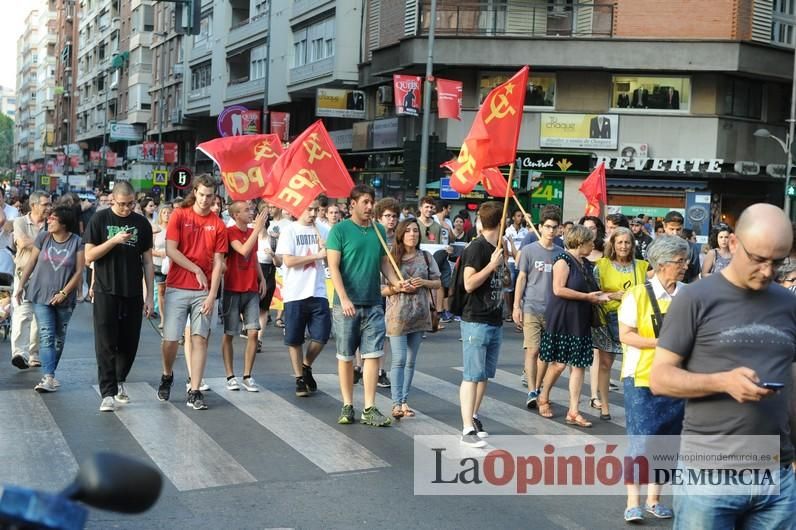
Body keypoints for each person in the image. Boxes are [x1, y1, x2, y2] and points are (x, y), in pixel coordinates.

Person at [650, 203, 796, 529]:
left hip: (777, 475)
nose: (769, 271)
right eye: (758, 259)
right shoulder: (695, 298)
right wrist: (722, 382)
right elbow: (660, 378)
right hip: (708, 474)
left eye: (778, 261)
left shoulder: (789, 304)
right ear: (732, 244)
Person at [618, 235, 688, 523]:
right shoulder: (636, 294)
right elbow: (626, 335)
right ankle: (633, 501)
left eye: (686, 260)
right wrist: (661, 343)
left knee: (667, 440)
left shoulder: (688, 294)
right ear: (661, 265)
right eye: (679, 261)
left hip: (678, 378)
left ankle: (654, 499)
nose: (685, 266)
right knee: (642, 440)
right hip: (641, 378)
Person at [326, 184, 407, 427]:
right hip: (346, 305)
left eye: (371, 202)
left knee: (373, 355)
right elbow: (333, 267)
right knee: (346, 356)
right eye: (365, 202)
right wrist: (345, 297)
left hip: (373, 303)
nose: (370, 206)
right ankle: (348, 404)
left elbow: (385, 263)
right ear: (352, 204)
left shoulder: (379, 230)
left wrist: (397, 283)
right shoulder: (339, 231)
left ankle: (369, 407)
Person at [157, 174, 228, 411]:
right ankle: (167, 374)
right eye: (202, 195)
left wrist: (212, 296)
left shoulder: (218, 224)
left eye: (210, 196)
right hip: (177, 285)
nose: (206, 200)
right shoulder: (180, 215)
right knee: (170, 340)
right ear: (194, 192)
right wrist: (195, 268)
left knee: (199, 339)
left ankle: (195, 389)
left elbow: (218, 263)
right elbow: (170, 250)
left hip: (203, 291)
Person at [83, 182, 154, 411]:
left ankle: (120, 379)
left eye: (130, 204)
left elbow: (148, 261)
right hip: (105, 289)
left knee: (129, 342)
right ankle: (108, 392)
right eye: (122, 204)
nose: (126, 209)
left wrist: (149, 295)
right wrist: (113, 241)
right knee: (105, 343)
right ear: (112, 200)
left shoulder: (141, 223)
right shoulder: (100, 220)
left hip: (132, 290)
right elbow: (89, 256)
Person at [537, 225, 609, 427]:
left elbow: (594, 292)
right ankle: (543, 396)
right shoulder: (563, 260)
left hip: (580, 317)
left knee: (578, 364)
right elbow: (559, 289)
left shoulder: (585, 263)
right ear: (580, 242)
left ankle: (574, 411)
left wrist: (612, 296)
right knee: (559, 363)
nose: (593, 244)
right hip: (562, 316)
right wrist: (587, 297)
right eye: (590, 241)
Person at [14, 206, 84, 393]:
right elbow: (31, 262)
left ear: (64, 223)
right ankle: (48, 377)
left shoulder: (77, 242)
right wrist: (21, 285)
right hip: (40, 293)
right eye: (49, 218)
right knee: (46, 334)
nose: (49, 221)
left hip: (64, 297)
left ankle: (50, 372)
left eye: (53, 219)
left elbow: (78, 271)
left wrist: (64, 292)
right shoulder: (43, 237)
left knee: (59, 339)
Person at [458, 201, 507, 447]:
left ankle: (474, 417)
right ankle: (467, 427)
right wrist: (491, 266)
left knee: (484, 374)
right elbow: (469, 284)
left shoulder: (497, 246)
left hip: (494, 318)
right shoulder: (477, 248)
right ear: (501, 222)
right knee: (472, 375)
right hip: (475, 319)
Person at [383, 219, 440, 418]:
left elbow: (438, 283)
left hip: (419, 315)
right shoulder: (390, 258)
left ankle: (405, 401)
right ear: (400, 234)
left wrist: (423, 282)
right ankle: (396, 403)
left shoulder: (426, 257)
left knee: (411, 361)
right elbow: (380, 289)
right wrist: (397, 287)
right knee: (399, 359)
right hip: (397, 316)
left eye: (415, 231)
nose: (412, 234)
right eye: (407, 231)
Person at [592, 227, 649, 420]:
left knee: (635, 365)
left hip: (635, 321)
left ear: (632, 245)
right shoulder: (601, 265)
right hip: (607, 319)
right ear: (613, 245)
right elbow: (594, 294)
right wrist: (612, 295)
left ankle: (637, 404)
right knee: (606, 363)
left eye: (627, 242)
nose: (623, 246)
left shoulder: (641, 266)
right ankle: (605, 406)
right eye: (620, 242)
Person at [276, 199, 331, 397]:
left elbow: (330, 258)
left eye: (316, 209)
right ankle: (299, 377)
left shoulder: (323, 230)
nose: (314, 213)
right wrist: (317, 256)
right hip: (295, 292)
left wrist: (326, 253)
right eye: (310, 209)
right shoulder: (289, 230)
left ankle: (306, 365)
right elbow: (288, 261)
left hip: (318, 291)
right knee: (294, 339)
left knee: (322, 335)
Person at [513, 205, 562, 408]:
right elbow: (521, 278)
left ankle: (539, 386)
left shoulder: (561, 252)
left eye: (554, 227)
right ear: (540, 227)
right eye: (548, 226)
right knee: (532, 350)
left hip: (553, 310)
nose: (551, 231)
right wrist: (516, 305)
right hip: (531, 306)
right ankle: (532, 390)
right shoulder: (528, 251)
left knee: (546, 353)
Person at [221, 201, 268, 392]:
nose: (251, 213)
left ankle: (247, 375)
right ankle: (230, 375)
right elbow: (243, 250)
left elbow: (253, 256)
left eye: (251, 209)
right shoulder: (230, 232)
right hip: (233, 288)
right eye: (246, 210)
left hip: (250, 288)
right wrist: (257, 229)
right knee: (229, 334)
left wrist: (262, 278)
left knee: (253, 332)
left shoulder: (252, 232)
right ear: (235, 215)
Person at [11, 191, 51, 369]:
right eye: (45, 204)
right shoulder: (20, 221)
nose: (48, 208)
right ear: (33, 205)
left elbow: (54, 243)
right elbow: (22, 242)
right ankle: (19, 352)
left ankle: (34, 354)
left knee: (39, 317)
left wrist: (34, 242)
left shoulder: (51, 223)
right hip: (23, 275)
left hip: (45, 276)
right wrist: (44, 242)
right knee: (22, 314)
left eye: (50, 204)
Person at [256, 202, 280, 347]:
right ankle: (250, 329)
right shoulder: (250, 234)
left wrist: (272, 254)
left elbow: (278, 263)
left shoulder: (272, 239)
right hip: (252, 274)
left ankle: (258, 338)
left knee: (263, 310)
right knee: (252, 307)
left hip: (268, 273)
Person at [661, 211, 700, 283]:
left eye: (678, 229)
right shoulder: (656, 246)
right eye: (671, 229)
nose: (675, 233)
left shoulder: (691, 248)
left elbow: (695, 276)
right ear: (664, 227)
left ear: (682, 227)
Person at [504, 209, 528, 323]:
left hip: (522, 261)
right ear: (513, 217)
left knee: (522, 286)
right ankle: (509, 312)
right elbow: (505, 247)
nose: (520, 218)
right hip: (510, 261)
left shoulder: (525, 232)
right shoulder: (508, 231)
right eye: (518, 216)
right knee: (510, 285)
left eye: (521, 216)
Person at [152, 205, 172, 329]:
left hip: (173, 264)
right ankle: (163, 318)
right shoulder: (155, 229)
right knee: (161, 291)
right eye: (163, 212)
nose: (166, 214)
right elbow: (149, 249)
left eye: (169, 212)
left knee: (171, 291)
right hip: (158, 264)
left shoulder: (175, 228)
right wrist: (160, 253)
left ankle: (172, 318)